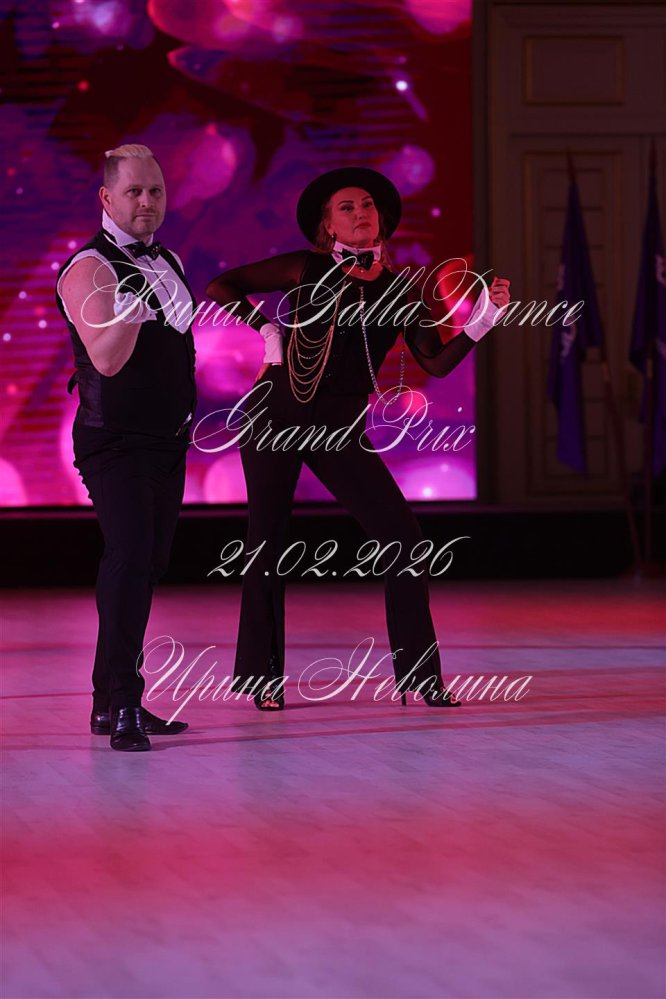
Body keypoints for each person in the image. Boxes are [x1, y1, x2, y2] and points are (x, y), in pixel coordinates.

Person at [206, 167, 510, 711]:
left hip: (340, 429)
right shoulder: (305, 268)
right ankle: (262, 678)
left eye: (366, 204)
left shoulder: (402, 289)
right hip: (275, 415)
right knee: (267, 542)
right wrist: (267, 330)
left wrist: (482, 321)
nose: (359, 212)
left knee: (404, 539)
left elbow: (436, 363)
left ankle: (421, 677)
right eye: (345, 207)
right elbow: (221, 286)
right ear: (327, 226)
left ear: (381, 218)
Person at [56, 144, 196, 751]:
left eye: (155, 191)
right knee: (131, 558)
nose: (146, 201)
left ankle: (109, 703)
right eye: (134, 191)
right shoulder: (88, 268)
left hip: (167, 441)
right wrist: (132, 310)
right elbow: (108, 361)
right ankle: (124, 704)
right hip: (114, 440)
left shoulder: (171, 259)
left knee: (148, 565)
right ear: (107, 198)